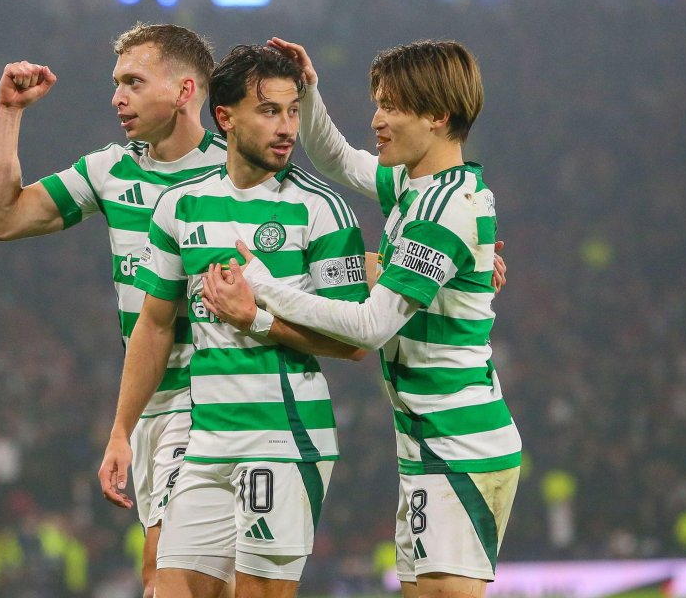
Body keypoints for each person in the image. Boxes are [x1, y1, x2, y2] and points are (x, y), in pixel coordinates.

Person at [202, 39, 521, 598]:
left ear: (437, 115)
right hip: (427, 442)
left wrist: (264, 290)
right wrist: (310, 89)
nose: (376, 119)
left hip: (462, 444)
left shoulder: (444, 209)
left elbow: (371, 327)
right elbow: (336, 158)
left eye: (391, 106)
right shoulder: (416, 185)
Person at [98, 45, 369, 598]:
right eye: (270, 111)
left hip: (284, 440)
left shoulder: (322, 210)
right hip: (207, 440)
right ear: (226, 117)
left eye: (293, 111)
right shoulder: (181, 206)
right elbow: (152, 325)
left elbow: (355, 340)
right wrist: (121, 430)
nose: (287, 126)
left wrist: (259, 320)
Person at [0, 22, 227, 598]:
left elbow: (317, 244)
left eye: (134, 83)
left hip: (217, 393)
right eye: (117, 84)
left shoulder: (238, 170)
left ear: (185, 91)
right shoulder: (111, 171)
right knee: (195, 579)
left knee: (168, 575)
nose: (117, 97)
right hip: (150, 403)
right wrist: (8, 113)